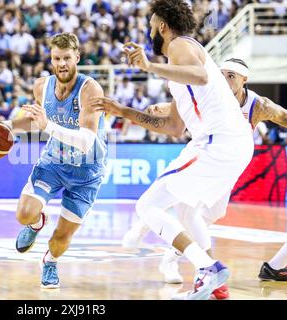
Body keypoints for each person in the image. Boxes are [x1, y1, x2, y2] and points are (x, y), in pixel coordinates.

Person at [93, 0, 254, 299]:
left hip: (220, 141)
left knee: (147, 206)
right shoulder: (175, 72)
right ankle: (215, 284)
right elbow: (174, 128)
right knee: (187, 211)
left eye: (152, 25)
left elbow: (202, 75)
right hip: (229, 143)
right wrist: (124, 111)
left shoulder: (179, 46)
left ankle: (208, 267)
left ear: (162, 26)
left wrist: (149, 66)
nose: (150, 31)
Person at [124, 58, 287, 287]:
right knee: (185, 206)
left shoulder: (258, 105)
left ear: (244, 80)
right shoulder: (212, 92)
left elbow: (284, 117)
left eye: (231, 76)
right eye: (222, 75)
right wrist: (164, 108)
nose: (225, 80)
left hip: (227, 164)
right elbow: (182, 106)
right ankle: (191, 263)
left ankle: (172, 252)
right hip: (203, 153)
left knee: (212, 214)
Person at [0, 33, 106, 289]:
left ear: (77, 57)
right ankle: (36, 223)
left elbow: (87, 140)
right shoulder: (42, 86)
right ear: (51, 59)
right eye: (57, 58)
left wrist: (49, 126)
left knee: (60, 239)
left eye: (67, 58)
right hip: (54, 163)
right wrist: (5, 125)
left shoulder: (90, 90)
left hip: (87, 172)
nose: (62, 63)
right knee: (24, 214)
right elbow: (35, 119)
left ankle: (50, 261)